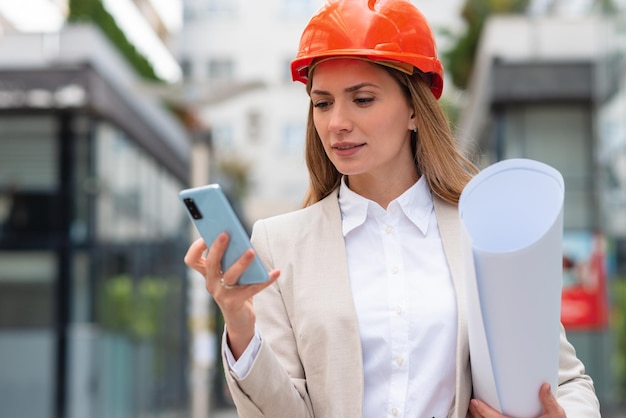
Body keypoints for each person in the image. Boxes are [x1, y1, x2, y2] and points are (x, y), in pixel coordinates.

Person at [184, 0, 601, 416]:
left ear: (415, 110)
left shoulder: (480, 230)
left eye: (362, 99)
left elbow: (566, 381)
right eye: (323, 103)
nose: (336, 123)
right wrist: (239, 323)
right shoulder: (279, 244)